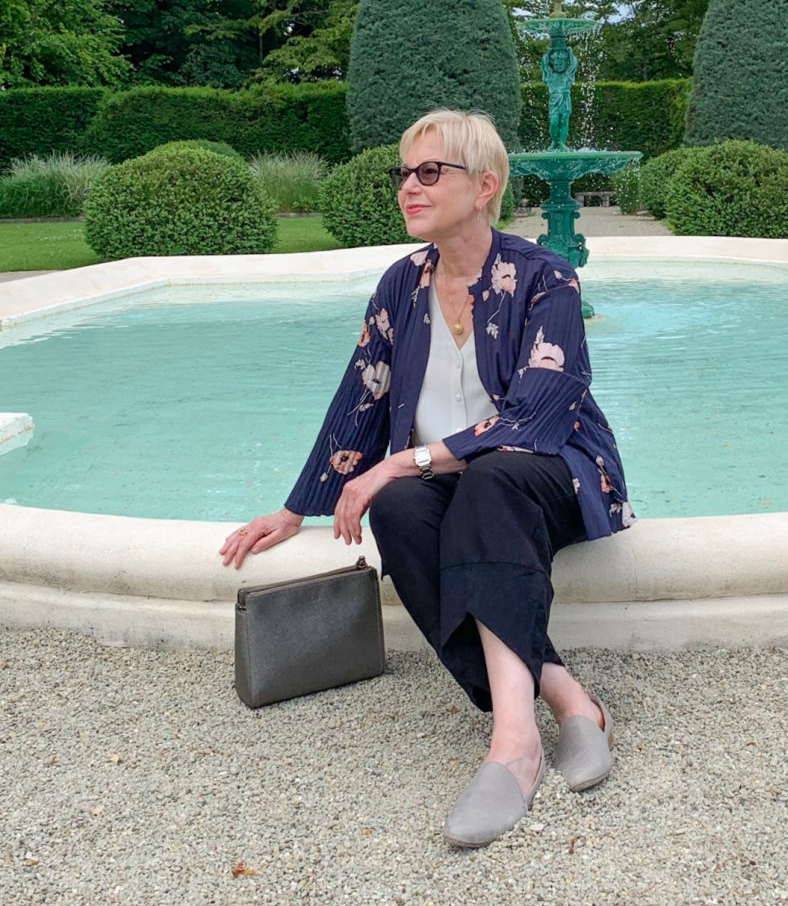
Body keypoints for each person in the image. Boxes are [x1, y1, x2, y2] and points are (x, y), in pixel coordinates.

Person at [220, 109, 634, 847]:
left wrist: (397, 460)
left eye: (428, 172)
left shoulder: (546, 278)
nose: (409, 187)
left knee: (487, 479)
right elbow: (360, 395)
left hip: (556, 475)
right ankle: (569, 696)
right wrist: (296, 509)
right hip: (459, 487)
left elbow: (532, 419)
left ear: (485, 186)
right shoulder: (400, 285)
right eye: (403, 174)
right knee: (402, 512)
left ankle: (515, 745)